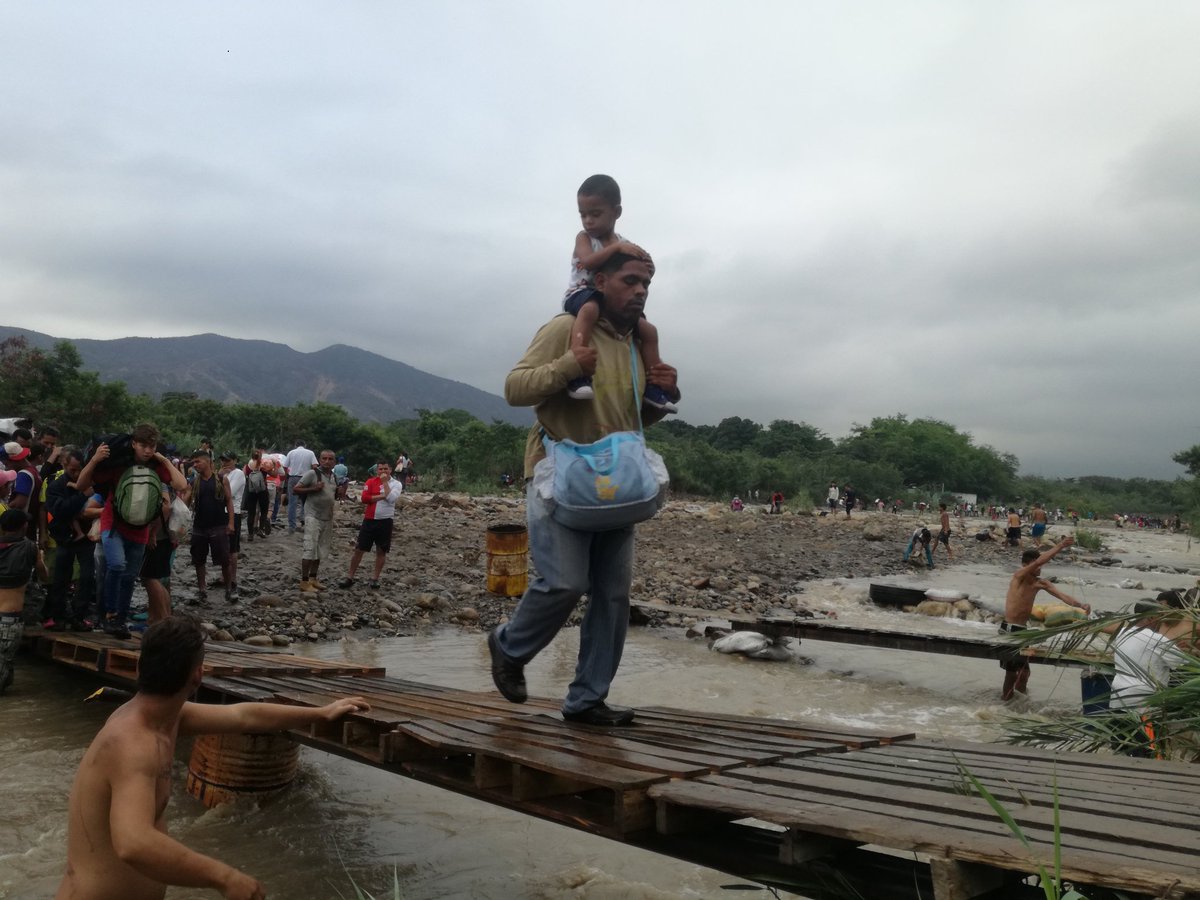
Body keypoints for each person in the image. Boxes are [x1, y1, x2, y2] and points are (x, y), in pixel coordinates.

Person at [487, 249, 679, 727]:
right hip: (559, 472)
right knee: (565, 582)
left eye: (646, 286)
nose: (639, 292)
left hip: (617, 478)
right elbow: (515, 389)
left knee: (613, 595)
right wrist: (570, 365)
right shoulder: (565, 326)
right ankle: (509, 647)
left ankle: (587, 699)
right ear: (600, 280)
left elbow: (630, 419)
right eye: (630, 281)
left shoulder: (637, 343)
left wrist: (663, 395)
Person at [55, 614, 369, 900]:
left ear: (141, 665)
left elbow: (243, 716)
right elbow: (133, 843)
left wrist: (321, 713)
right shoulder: (133, 743)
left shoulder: (167, 717)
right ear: (197, 676)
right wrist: (225, 877)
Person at [560, 174, 676, 413]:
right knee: (590, 308)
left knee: (648, 329)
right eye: (583, 214)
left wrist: (648, 267)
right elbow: (589, 262)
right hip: (581, 293)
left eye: (595, 213)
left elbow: (641, 271)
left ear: (616, 212)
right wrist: (617, 249)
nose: (588, 221)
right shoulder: (585, 238)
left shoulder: (624, 243)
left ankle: (655, 386)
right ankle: (577, 370)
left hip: (612, 300)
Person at [76, 425, 188, 638]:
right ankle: (109, 614)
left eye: (151, 446)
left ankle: (120, 620)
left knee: (129, 576)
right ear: (133, 443)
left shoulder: (156, 465)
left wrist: (163, 459)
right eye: (143, 446)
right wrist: (94, 460)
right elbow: (82, 485)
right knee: (117, 565)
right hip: (113, 523)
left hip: (140, 528)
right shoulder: (118, 463)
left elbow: (181, 484)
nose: (147, 451)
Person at [998, 536, 1090, 700]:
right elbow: (1039, 562)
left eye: (1041, 565)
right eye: (1036, 564)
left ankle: (1018, 703)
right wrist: (1060, 545)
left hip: (1023, 631)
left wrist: (1081, 605)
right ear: (1026, 565)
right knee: (1011, 673)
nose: (1040, 568)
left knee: (1025, 672)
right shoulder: (1018, 577)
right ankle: (1005, 701)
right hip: (1010, 629)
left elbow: (1062, 596)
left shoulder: (1041, 583)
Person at [43, 449, 98, 630]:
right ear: (65, 465)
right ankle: (57, 615)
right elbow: (59, 510)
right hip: (64, 538)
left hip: (87, 537)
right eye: (73, 470)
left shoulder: (91, 481)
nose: (76, 474)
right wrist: (82, 496)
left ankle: (79, 616)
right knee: (61, 578)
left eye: (79, 470)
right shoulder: (56, 486)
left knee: (87, 577)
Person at [0, 509, 47, 694]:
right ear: (24, 526)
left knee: (5, 670)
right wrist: (41, 560)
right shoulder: (30, 548)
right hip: (9, 620)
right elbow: (44, 576)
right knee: (5, 664)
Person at [338, 459, 403, 590]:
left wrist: (385, 484)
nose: (383, 471)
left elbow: (391, 499)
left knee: (381, 550)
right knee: (359, 549)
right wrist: (381, 496)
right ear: (377, 470)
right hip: (370, 519)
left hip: (386, 520)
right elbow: (364, 499)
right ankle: (350, 577)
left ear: (390, 470)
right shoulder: (370, 481)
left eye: (386, 469)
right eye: (380, 469)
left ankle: (375, 578)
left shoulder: (396, 484)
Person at [188, 450, 236, 604]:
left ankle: (229, 589)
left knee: (224, 559)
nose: (195, 465)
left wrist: (231, 523)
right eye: (193, 462)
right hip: (199, 526)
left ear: (207, 462)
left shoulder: (221, 480)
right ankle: (202, 590)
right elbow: (186, 502)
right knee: (198, 560)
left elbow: (229, 501)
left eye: (197, 462)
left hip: (219, 525)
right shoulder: (194, 482)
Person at [293, 450, 337, 592]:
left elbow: (332, 495)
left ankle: (313, 578)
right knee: (310, 549)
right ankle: (304, 581)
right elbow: (296, 489)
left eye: (330, 459)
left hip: (327, 517)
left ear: (334, 462)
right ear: (319, 460)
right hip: (313, 516)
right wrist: (314, 488)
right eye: (324, 458)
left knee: (320, 550)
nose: (327, 461)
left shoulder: (334, 476)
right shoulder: (312, 474)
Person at [218, 452, 245, 599]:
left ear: (235, 460)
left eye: (228, 460)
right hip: (221, 512)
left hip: (233, 513)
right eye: (223, 460)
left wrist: (221, 477)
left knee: (232, 548)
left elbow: (228, 493)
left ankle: (232, 578)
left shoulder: (238, 473)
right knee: (223, 546)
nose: (225, 463)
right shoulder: (221, 474)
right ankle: (224, 576)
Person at [283, 441, 318, 533]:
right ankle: (304, 521)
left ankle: (292, 526)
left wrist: (287, 476)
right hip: (306, 479)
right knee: (306, 502)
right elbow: (315, 466)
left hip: (293, 478)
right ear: (305, 445)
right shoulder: (310, 453)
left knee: (292, 503)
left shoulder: (291, 452)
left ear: (295, 445)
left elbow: (285, 466)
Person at [242, 450, 270, 540]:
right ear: (259, 457)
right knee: (264, 510)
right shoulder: (262, 465)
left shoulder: (247, 466)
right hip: (262, 490)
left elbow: (243, 475)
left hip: (251, 491)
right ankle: (261, 529)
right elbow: (273, 473)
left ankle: (250, 534)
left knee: (251, 512)